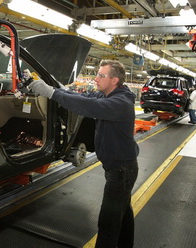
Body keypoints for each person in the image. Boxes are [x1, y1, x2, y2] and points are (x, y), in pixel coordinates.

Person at [29, 60, 139, 248]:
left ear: (114, 80)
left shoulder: (119, 103)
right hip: (118, 167)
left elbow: (86, 106)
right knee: (122, 213)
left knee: (108, 221)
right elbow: (82, 96)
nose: (96, 78)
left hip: (121, 170)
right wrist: (58, 87)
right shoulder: (106, 95)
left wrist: (51, 93)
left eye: (101, 75)